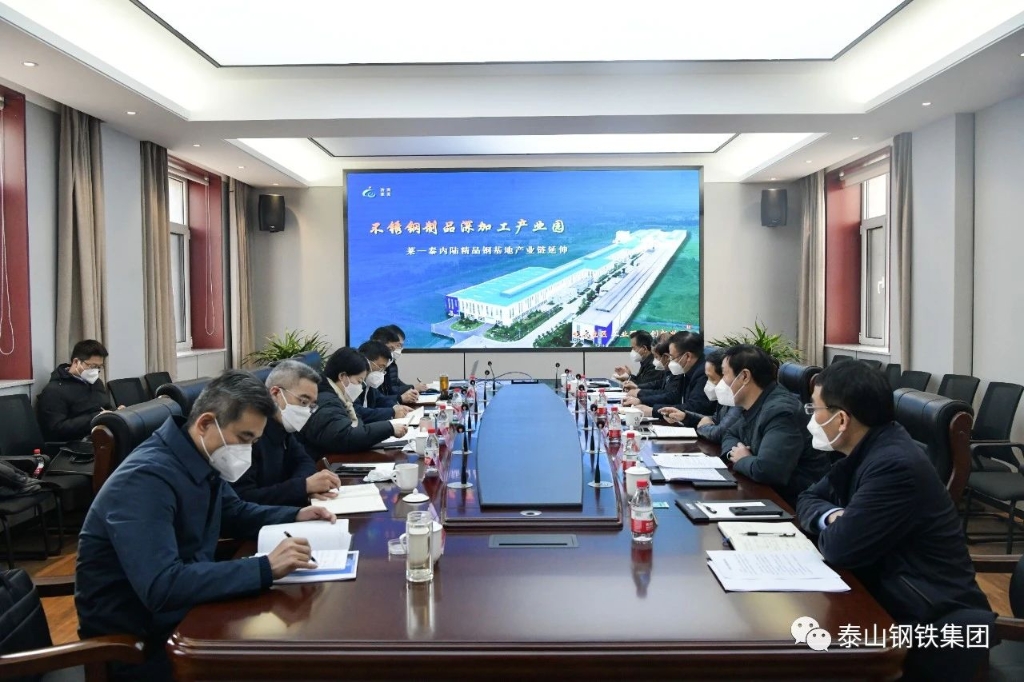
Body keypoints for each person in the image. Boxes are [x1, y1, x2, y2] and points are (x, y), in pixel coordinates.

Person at [75, 370, 337, 681]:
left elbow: (235, 512)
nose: (248, 451)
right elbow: (162, 586)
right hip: (140, 646)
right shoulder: (144, 479)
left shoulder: (196, 456)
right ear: (205, 423)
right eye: (244, 438)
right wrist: (265, 567)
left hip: (187, 615)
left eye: (254, 441)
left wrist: (295, 515)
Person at [796, 362, 991, 679]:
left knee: (807, 649)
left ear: (841, 419)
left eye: (814, 409)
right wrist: (834, 516)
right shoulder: (867, 449)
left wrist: (837, 524)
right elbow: (806, 498)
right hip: (894, 596)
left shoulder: (893, 466)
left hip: (934, 624)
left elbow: (838, 548)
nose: (811, 418)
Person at [719, 345, 831, 506]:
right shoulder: (756, 403)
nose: (722, 382)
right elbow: (730, 434)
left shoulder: (781, 411)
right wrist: (733, 453)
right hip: (764, 492)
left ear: (744, 376)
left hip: (794, 504)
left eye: (724, 374)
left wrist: (743, 459)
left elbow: (767, 470)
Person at [230, 361, 342, 506]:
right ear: (275, 393)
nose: (307, 410)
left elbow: (305, 461)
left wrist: (304, 487)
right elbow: (244, 499)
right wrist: (302, 487)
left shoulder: (283, 427)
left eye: (312, 405)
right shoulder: (249, 434)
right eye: (303, 402)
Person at [299, 347, 408, 458]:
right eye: (359, 381)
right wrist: (389, 428)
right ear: (342, 376)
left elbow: (356, 427)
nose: (360, 387)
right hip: (322, 462)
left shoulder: (339, 398)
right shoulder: (326, 402)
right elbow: (346, 437)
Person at [37, 339, 119, 441]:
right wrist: (95, 417)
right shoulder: (54, 390)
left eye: (99, 367)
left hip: (102, 434)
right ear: (76, 362)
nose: (95, 371)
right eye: (92, 366)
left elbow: (105, 408)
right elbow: (56, 429)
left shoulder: (96, 383)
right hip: (76, 443)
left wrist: (116, 412)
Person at [624, 331, 713, 422]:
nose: (670, 361)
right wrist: (643, 399)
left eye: (672, 357)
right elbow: (675, 396)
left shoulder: (704, 373)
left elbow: (693, 407)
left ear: (688, 356)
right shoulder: (687, 370)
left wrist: (653, 410)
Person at [686, 349, 741, 443]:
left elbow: (719, 433)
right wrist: (685, 416)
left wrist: (703, 427)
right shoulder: (724, 397)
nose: (707, 382)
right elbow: (715, 420)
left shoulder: (739, 400)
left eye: (711, 378)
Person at [354, 340, 413, 423]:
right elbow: (358, 412)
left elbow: (380, 399)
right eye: (381, 367)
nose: (381, 372)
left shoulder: (368, 384)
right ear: (367, 362)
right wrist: (392, 413)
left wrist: (396, 407)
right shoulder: (353, 384)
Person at [371, 325, 425, 401]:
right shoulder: (371, 366)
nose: (397, 349)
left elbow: (396, 383)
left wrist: (411, 389)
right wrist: (412, 388)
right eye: (397, 345)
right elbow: (389, 391)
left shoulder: (390, 363)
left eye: (400, 346)